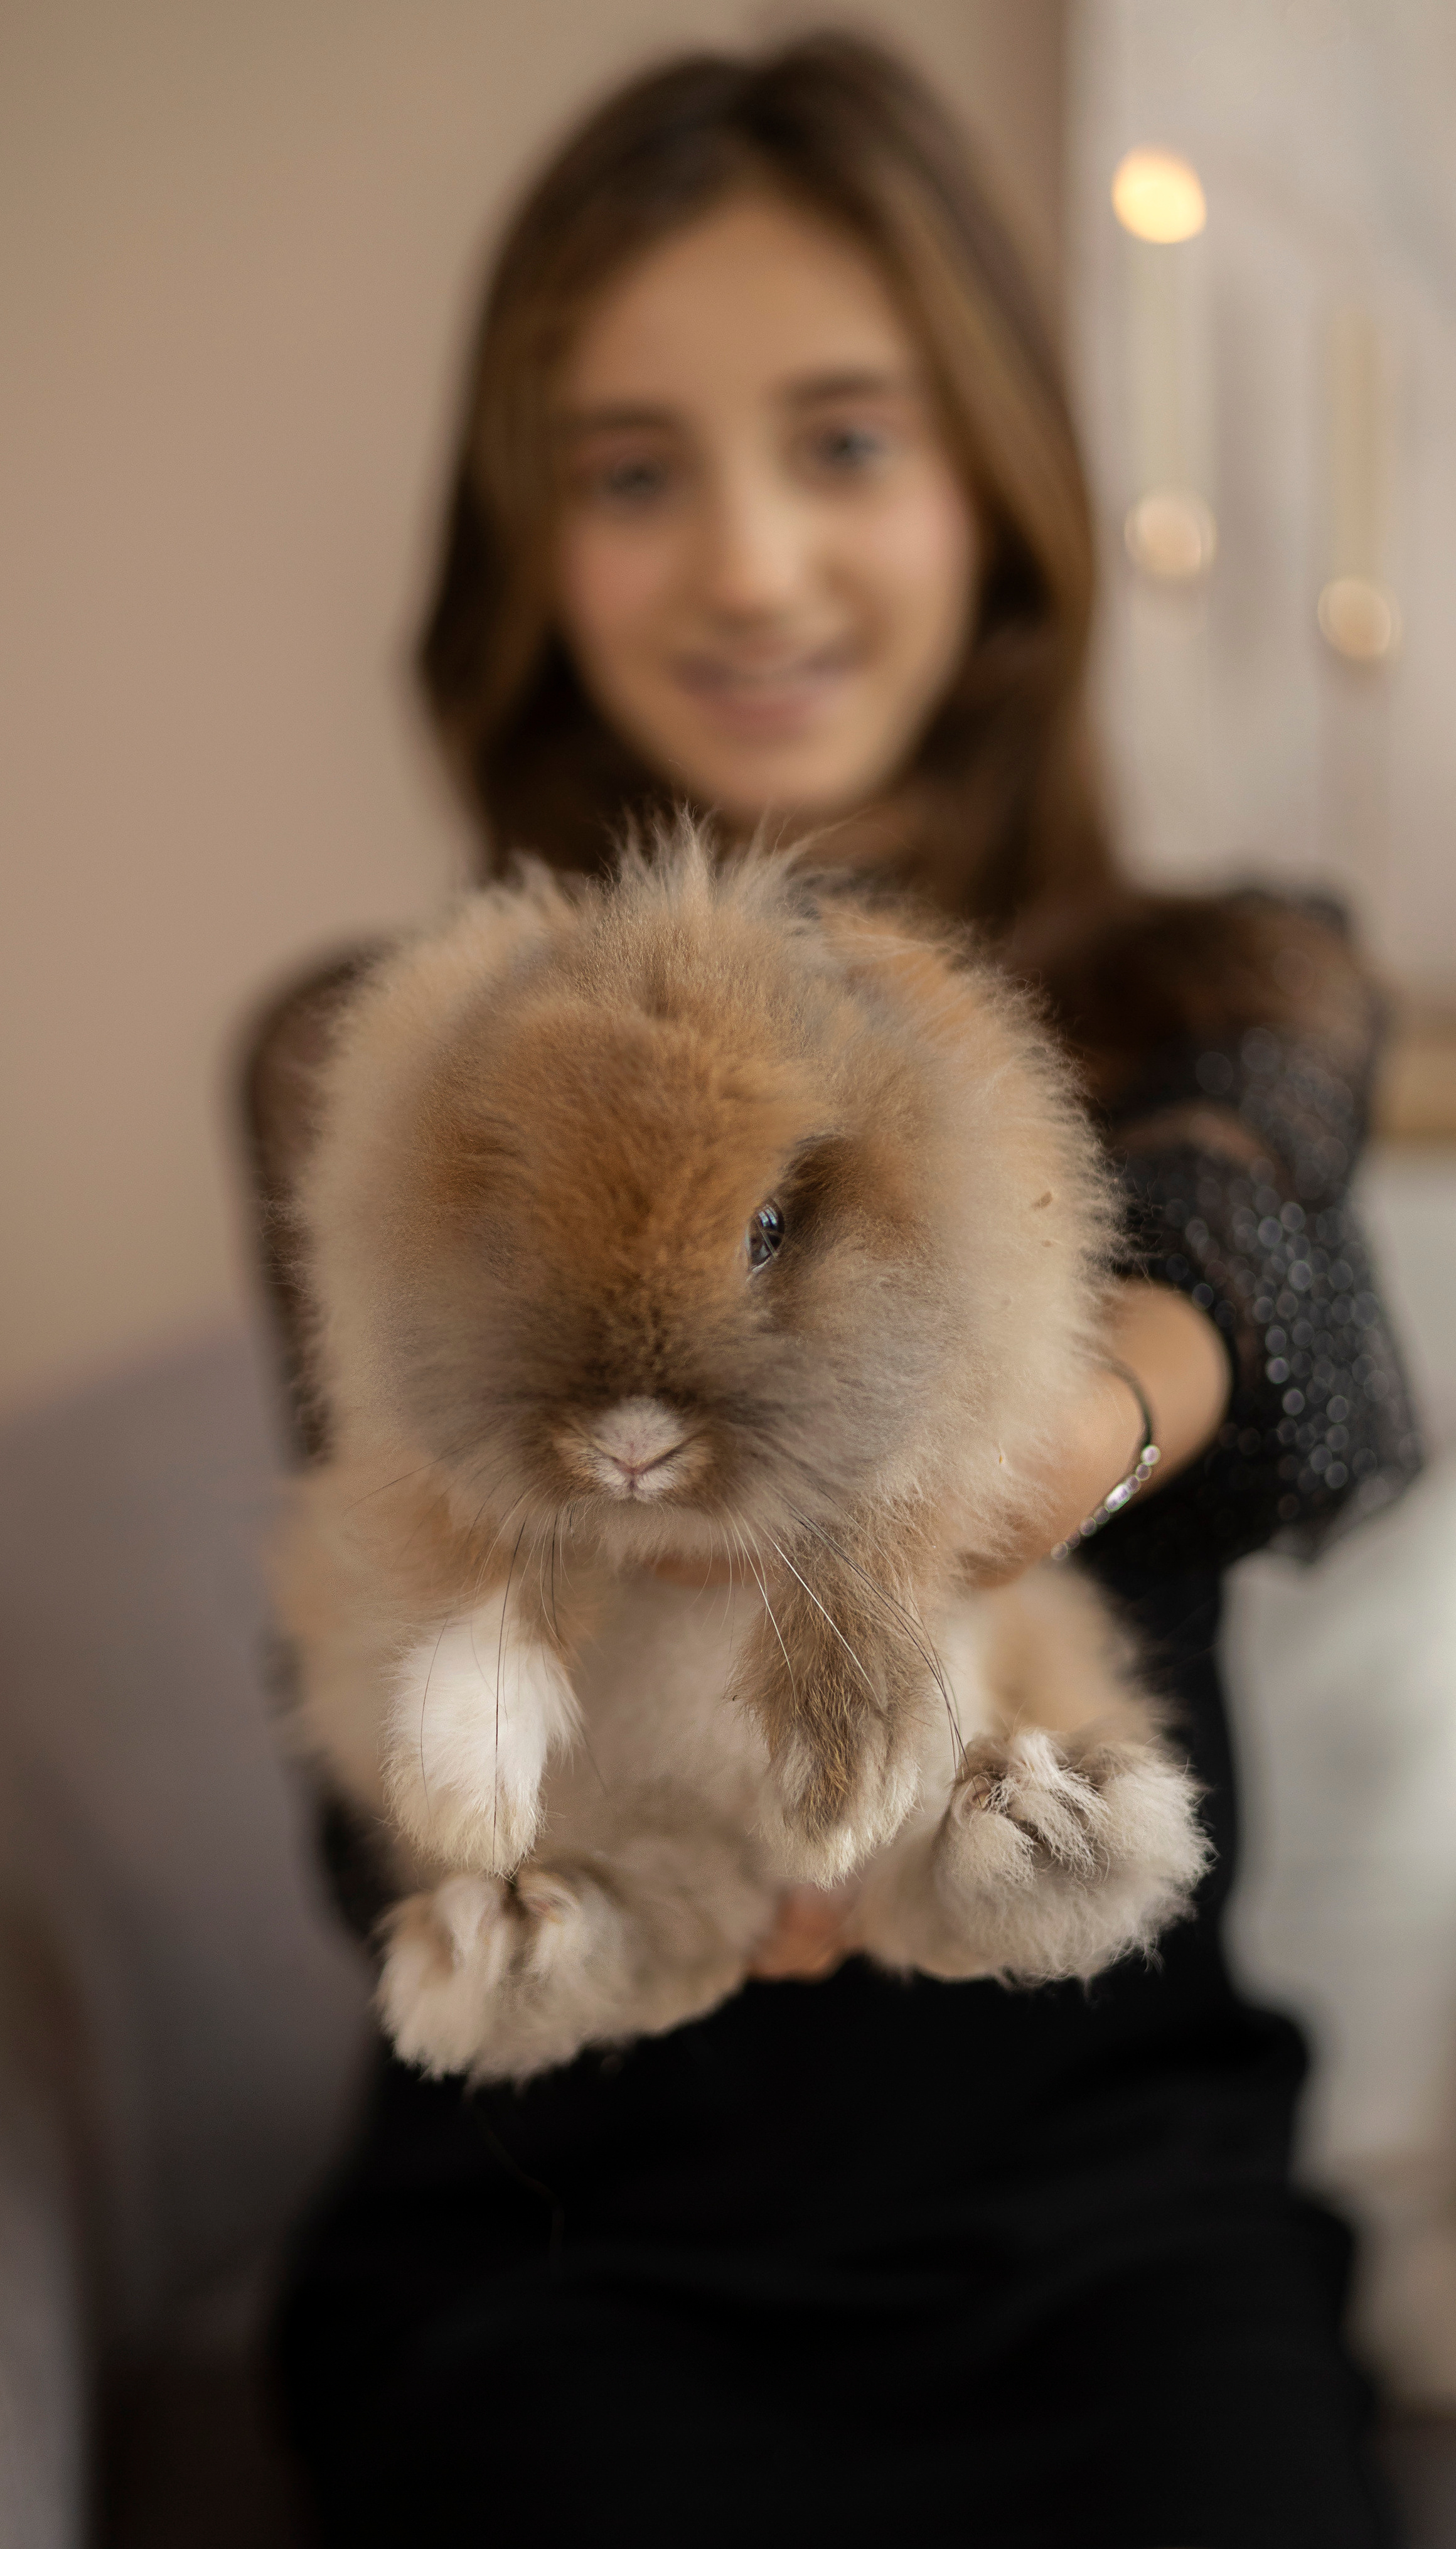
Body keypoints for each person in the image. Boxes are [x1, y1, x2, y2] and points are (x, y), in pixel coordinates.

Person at [268, 35, 1422, 2547]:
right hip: (575, 2237)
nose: (752, 565)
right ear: (529, 540)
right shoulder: (390, 1064)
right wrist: (557, 1853)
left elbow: (1319, 1366)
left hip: (1115, 2223)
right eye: (632, 468)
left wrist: (1050, 1439)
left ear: (991, 491)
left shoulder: (1217, 979)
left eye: (843, 441)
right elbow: (363, 1741)